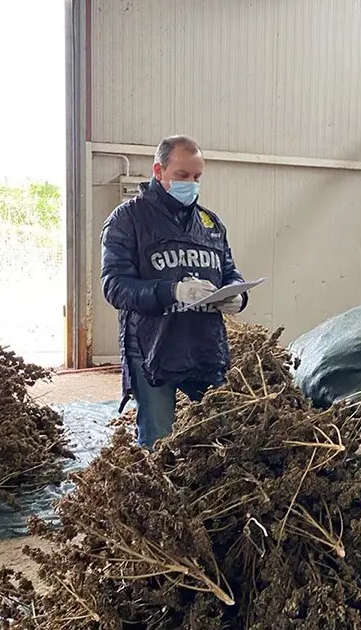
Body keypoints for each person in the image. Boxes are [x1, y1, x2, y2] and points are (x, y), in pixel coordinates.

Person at [100, 135, 249, 448]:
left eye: (197, 177)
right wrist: (173, 291)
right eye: (182, 176)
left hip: (205, 346)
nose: (191, 184)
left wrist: (237, 294)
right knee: (159, 444)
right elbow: (114, 286)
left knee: (218, 436)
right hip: (153, 348)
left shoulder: (209, 223)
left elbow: (229, 272)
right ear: (159, 171)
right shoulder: (128, 220)